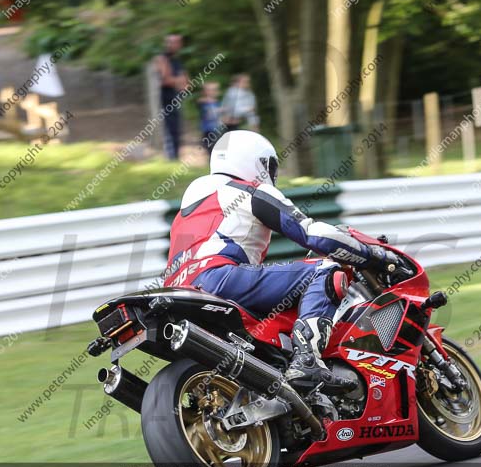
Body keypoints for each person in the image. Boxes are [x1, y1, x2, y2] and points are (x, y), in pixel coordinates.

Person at [163, 130, 397, 391]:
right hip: (219, 279)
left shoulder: (190, 208)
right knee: (325, 269)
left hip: (181, 290)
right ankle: (307, 359)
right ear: (255, 162)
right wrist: (371, 253)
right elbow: (311, 233)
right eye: (269, 166)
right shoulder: (247, 191)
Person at [155, 34, 188, 160]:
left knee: (177, 128)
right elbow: (165, 80)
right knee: (169, 127)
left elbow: (186, 83)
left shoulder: (178, 61)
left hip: (177, 98)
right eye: (171, 42)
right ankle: (171, 156)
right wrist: (178, 81)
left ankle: (176, 156)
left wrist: (179, 81)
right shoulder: (162, 59)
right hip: (166, 98)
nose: (173, 45)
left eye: (176, 43)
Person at [196, 82, 223, 155]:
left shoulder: (217, 102)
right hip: (207, 128)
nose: (212, 92)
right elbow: (200, 102)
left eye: (214, 90)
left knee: (215, 145)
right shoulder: (203, 101)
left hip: (216, 127)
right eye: (209, 90)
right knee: (208, 145)